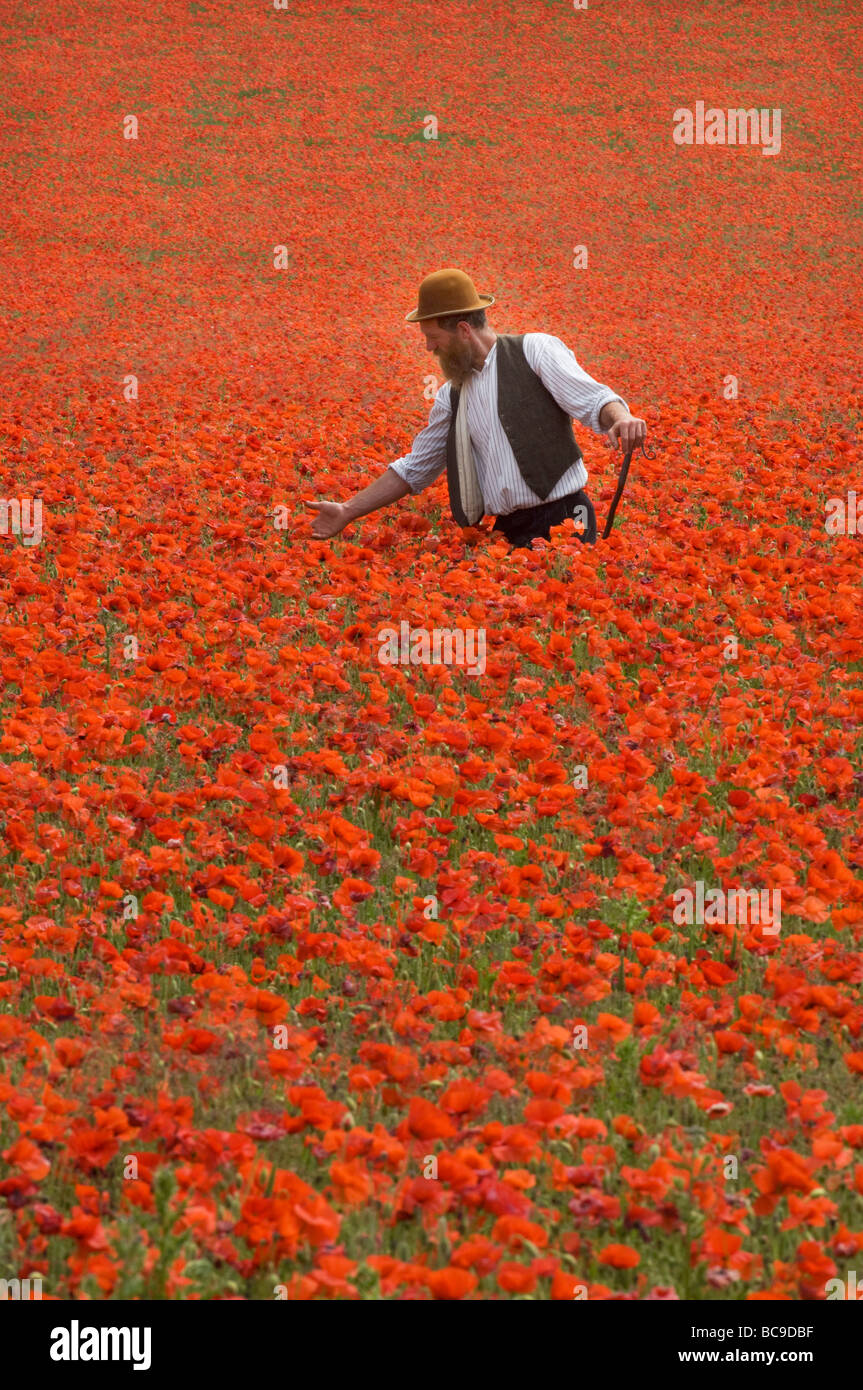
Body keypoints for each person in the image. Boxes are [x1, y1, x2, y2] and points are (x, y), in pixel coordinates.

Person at [306, 267, 647, 549]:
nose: (429, 348)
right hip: (508, 531)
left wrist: (622, 417)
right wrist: (347, 510)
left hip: (567, 519)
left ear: (464, 330)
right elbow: (415, 468)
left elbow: (593, 399)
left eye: (434, 338)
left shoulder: (535, 352)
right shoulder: (451, 396)